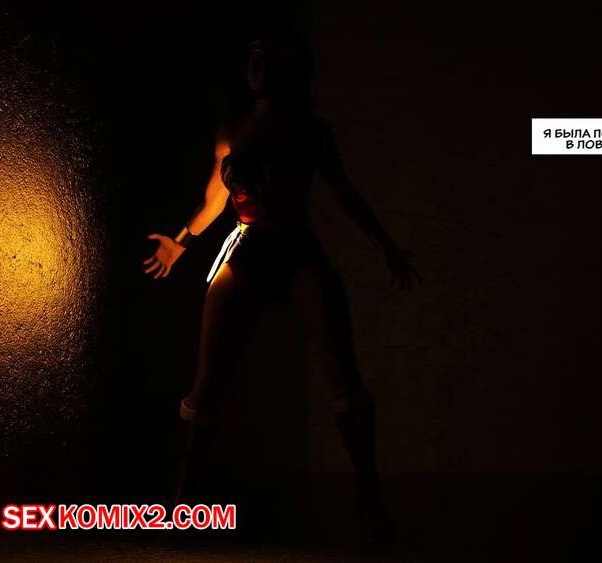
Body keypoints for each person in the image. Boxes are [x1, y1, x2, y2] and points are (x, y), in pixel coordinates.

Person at [142, 33, 419, 550]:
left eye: (274, 61)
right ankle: (184, 503)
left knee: (343, 376)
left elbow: (345, 193)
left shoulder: (310, 130)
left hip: (297, 250)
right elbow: (214, 200)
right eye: (256, 59)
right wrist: (181, 242)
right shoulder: (232, 129)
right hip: (247, 249)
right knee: (208, 383)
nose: (262, 67)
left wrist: (386, 246)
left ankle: (370, 504)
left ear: (294, 72)